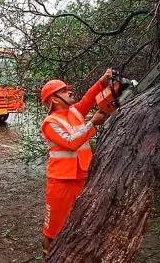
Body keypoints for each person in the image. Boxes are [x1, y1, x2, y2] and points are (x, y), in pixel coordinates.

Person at [39, 69, 112, 256]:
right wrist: (92, 124)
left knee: (80, 220)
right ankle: (49, 257)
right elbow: (71, 142)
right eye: (64, 91)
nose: (69, 92)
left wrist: (103, 81)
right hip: (61, 181)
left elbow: (89, 97)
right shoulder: (50, 122)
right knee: (53, 228)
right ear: (54, 99)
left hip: (82, 176)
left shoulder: (75, 111)